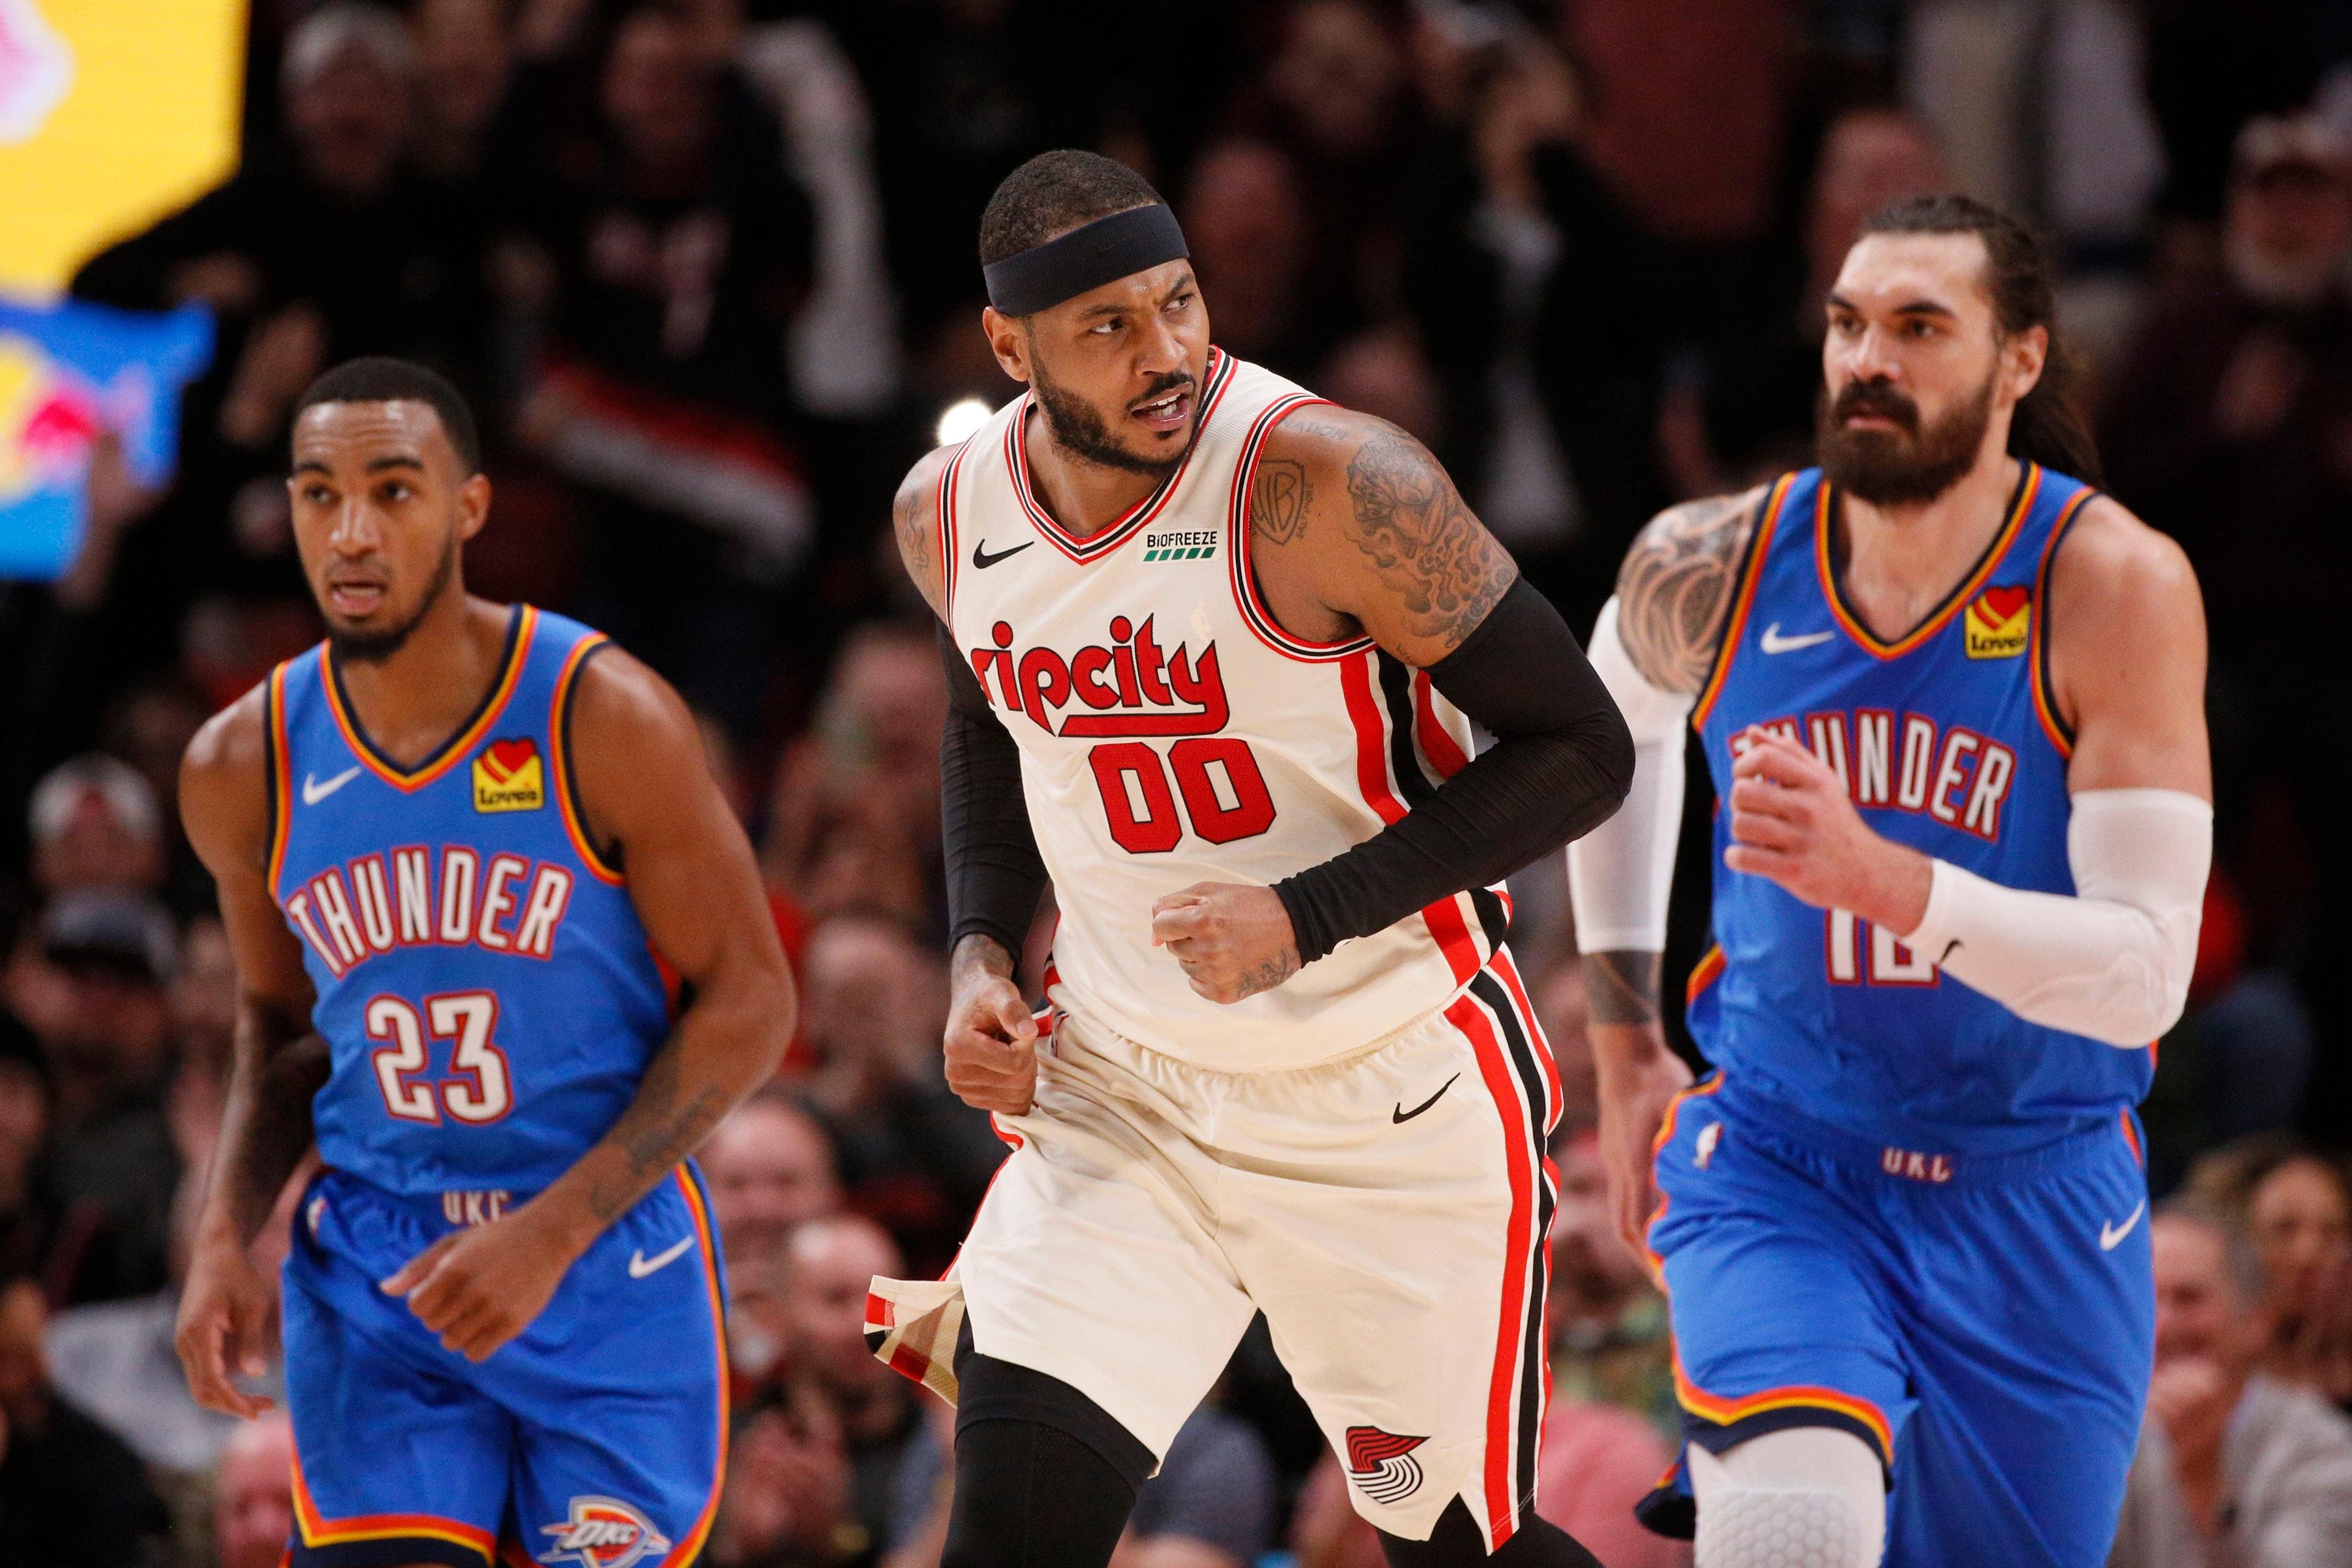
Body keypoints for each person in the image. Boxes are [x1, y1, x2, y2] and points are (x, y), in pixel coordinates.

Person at [867, 150, 1633, 1568]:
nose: (1164, 353)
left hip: (1385, 1090)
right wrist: (978, 948)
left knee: (1455, 1548)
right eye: (1108, 326)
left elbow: (1583, 748)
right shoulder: (947, 511)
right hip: (1124, 1096)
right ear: (1008, 348)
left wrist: (1306, 912)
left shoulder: (1334, 480)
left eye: (1177, 302)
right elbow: (987, 707)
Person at [1568, 194, 2211, 1567]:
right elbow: (1604, 729)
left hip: (2035, 1188)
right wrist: (1627, 1046)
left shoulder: (2113, 586)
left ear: (2020, 358)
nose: (1871, 357)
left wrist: (1887, 880)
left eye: (1922, 326)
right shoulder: (1718, 558)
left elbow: (2146, 974)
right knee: (1793, 1525)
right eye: (1851, 324)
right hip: (1787, 1158)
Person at [172, 357, 796, 1567]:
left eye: (392, 491)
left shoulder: (598, 713)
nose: (350, 533)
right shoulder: (240, 760)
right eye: (319, 495)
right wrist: (224, 1234)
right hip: (379, 1271)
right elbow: (282, 1025)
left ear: (469, 507)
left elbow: (755, 999)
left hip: (601, 1257)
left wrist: (550, 1233)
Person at [2108, 1200, 2352, 1566]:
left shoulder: (2324, 1452)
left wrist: (2203, 1482)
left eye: (2189, 1299)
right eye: (2146, 1299)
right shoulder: (2109, 1433)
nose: (2161, 1326)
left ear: (2257, 1319)